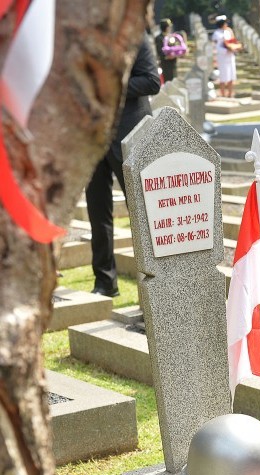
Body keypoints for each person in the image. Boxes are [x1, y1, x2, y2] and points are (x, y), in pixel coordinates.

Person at [86, 35, 160, 297]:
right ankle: (105, 283)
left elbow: (152, 81)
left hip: (129, 135)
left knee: (142, 213)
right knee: (97, 211)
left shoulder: (138, 37)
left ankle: (155, 287)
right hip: (93, 135)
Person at [211, 15, 239, 98]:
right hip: (222, 57)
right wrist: (226, 49)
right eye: (225, 23)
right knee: (223, 77)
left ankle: (230, 94)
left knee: (231, 76)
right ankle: (223, 95)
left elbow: (232, 42)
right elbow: (217, 46)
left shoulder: (228, 31)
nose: (226, 24)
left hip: (230, 57)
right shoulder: (216, 34)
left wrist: (233, 48)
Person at [154, 19, 178, 83]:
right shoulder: (159, 38)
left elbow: (174, 48)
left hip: (173, 63)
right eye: (169, 27)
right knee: (168, 82)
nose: (170, 28)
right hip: (165, 64)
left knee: (174, 81)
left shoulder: (170, 37)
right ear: (166, 27)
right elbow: (160, 52)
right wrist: (168, 56)